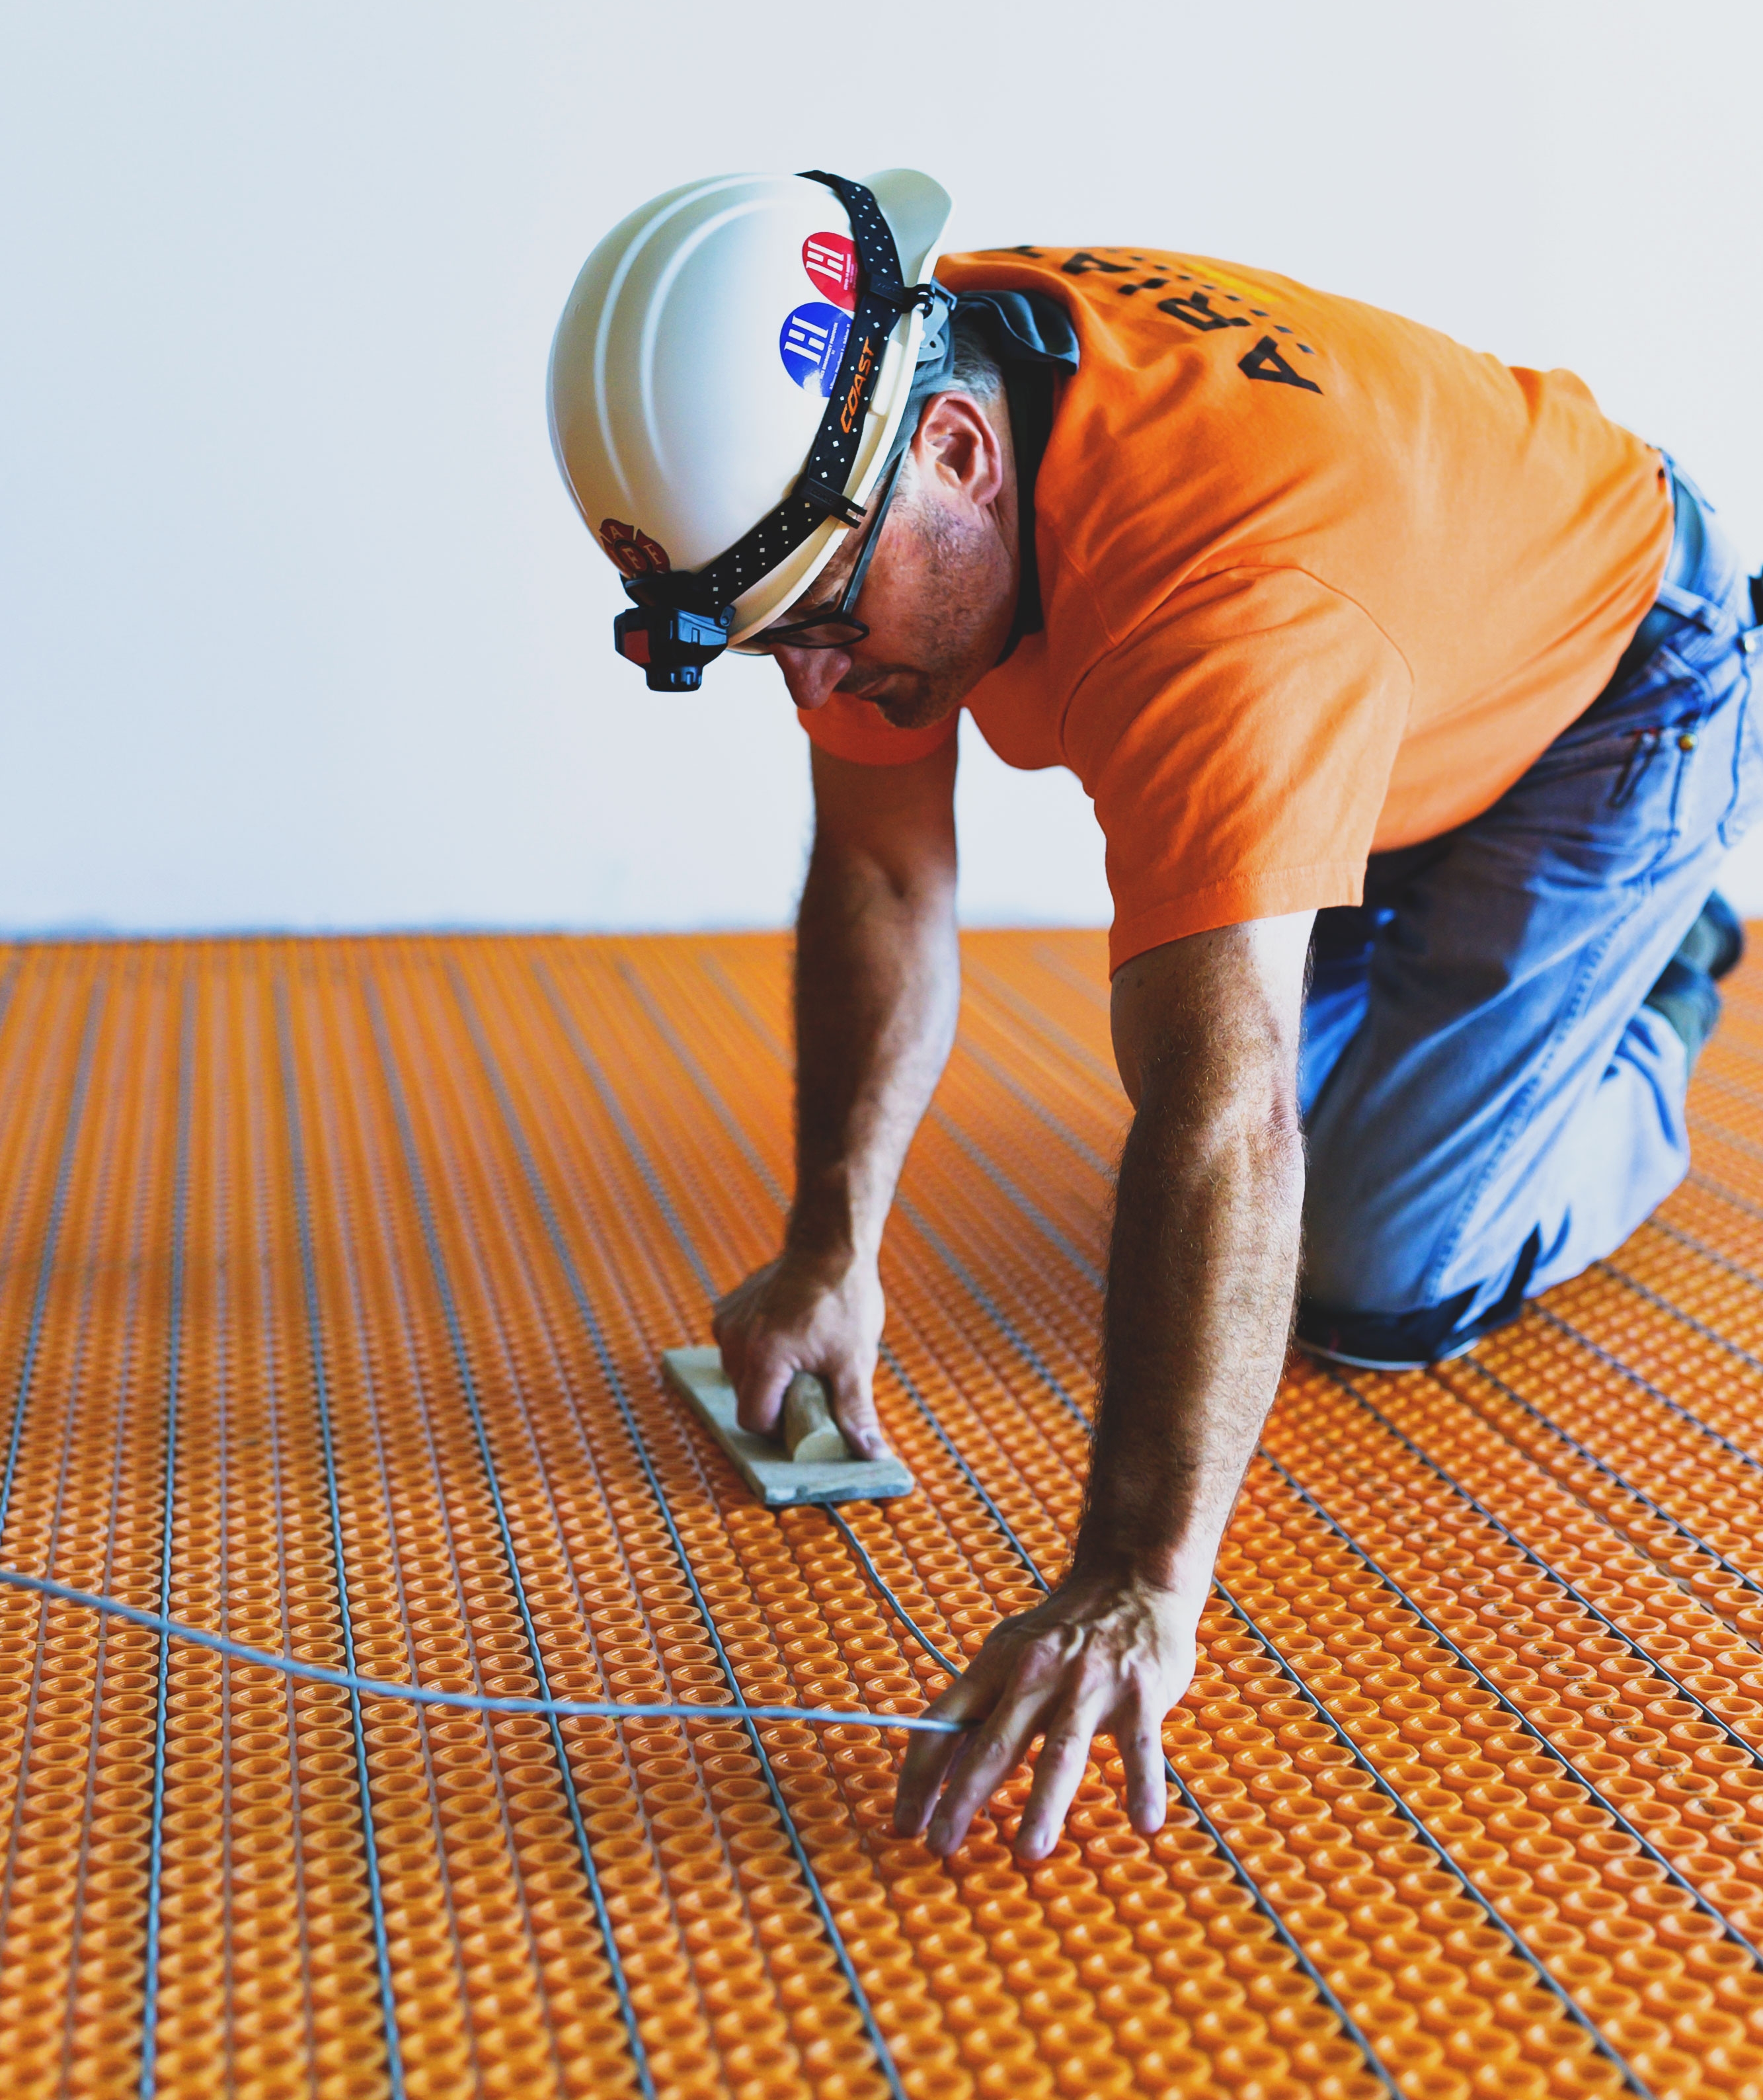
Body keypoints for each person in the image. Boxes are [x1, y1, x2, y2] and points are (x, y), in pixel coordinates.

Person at [547, 168, 1763, 1863]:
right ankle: (1446, 951)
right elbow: (885, 880)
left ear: (962, 459)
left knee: (1364, 1274)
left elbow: (1218, 1114)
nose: (817, 690)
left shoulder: (1222, 601)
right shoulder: (877, 410)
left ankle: (1661, 977)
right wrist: (831, 1242)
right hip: (1398, 682)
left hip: (1615, 679)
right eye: (771, 652)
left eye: (821, 628)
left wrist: (1132, 1578)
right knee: (1249, 1141)